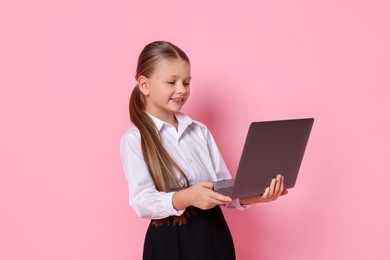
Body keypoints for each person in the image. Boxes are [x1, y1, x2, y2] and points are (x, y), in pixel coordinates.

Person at [120, 41, 287, 260]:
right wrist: (187, 197)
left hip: (213, 234)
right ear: (144, 85)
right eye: (171, 82)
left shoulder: (199, 131)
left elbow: (224, 186)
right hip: (170, 242)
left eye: (186, 82)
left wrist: (254, 196)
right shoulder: (135, 140)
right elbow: (142, 201)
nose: (181, 90)